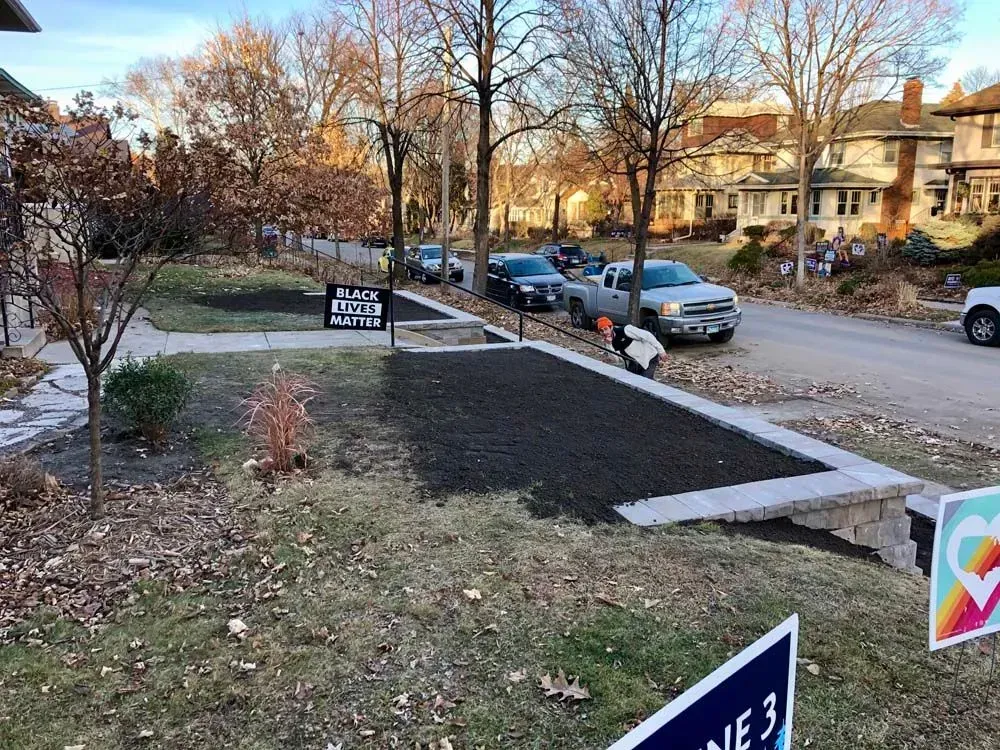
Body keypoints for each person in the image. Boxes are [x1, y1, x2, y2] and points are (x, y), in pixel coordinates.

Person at [596, 316, 666, 379]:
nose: (604, 332)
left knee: (645, 381)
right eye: (601, 331)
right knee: (631, 381)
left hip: (649, 357)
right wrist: (609, 344)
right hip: (634, 362)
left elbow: (647, 335)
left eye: (606, 329)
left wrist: (661, 351)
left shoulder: (626, 330)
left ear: (611, 327)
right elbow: (616, 360)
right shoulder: (609, 341)